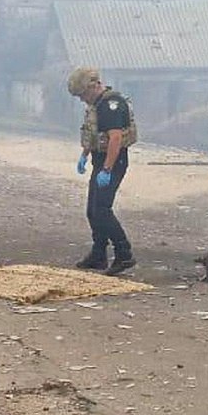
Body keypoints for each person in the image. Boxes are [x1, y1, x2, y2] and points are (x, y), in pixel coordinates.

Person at [67, 67, 138, 275]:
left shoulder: (111, 105)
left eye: (82, 95)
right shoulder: (96, 105)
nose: (81, 99)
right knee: (92, 210)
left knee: (102, 210)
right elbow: (93, 133)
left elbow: (115, 138)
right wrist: (85, 154)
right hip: (100, 161)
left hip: (113, 162)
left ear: (92, 87)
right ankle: (99, 254)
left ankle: (124, 253)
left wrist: (107, 169)